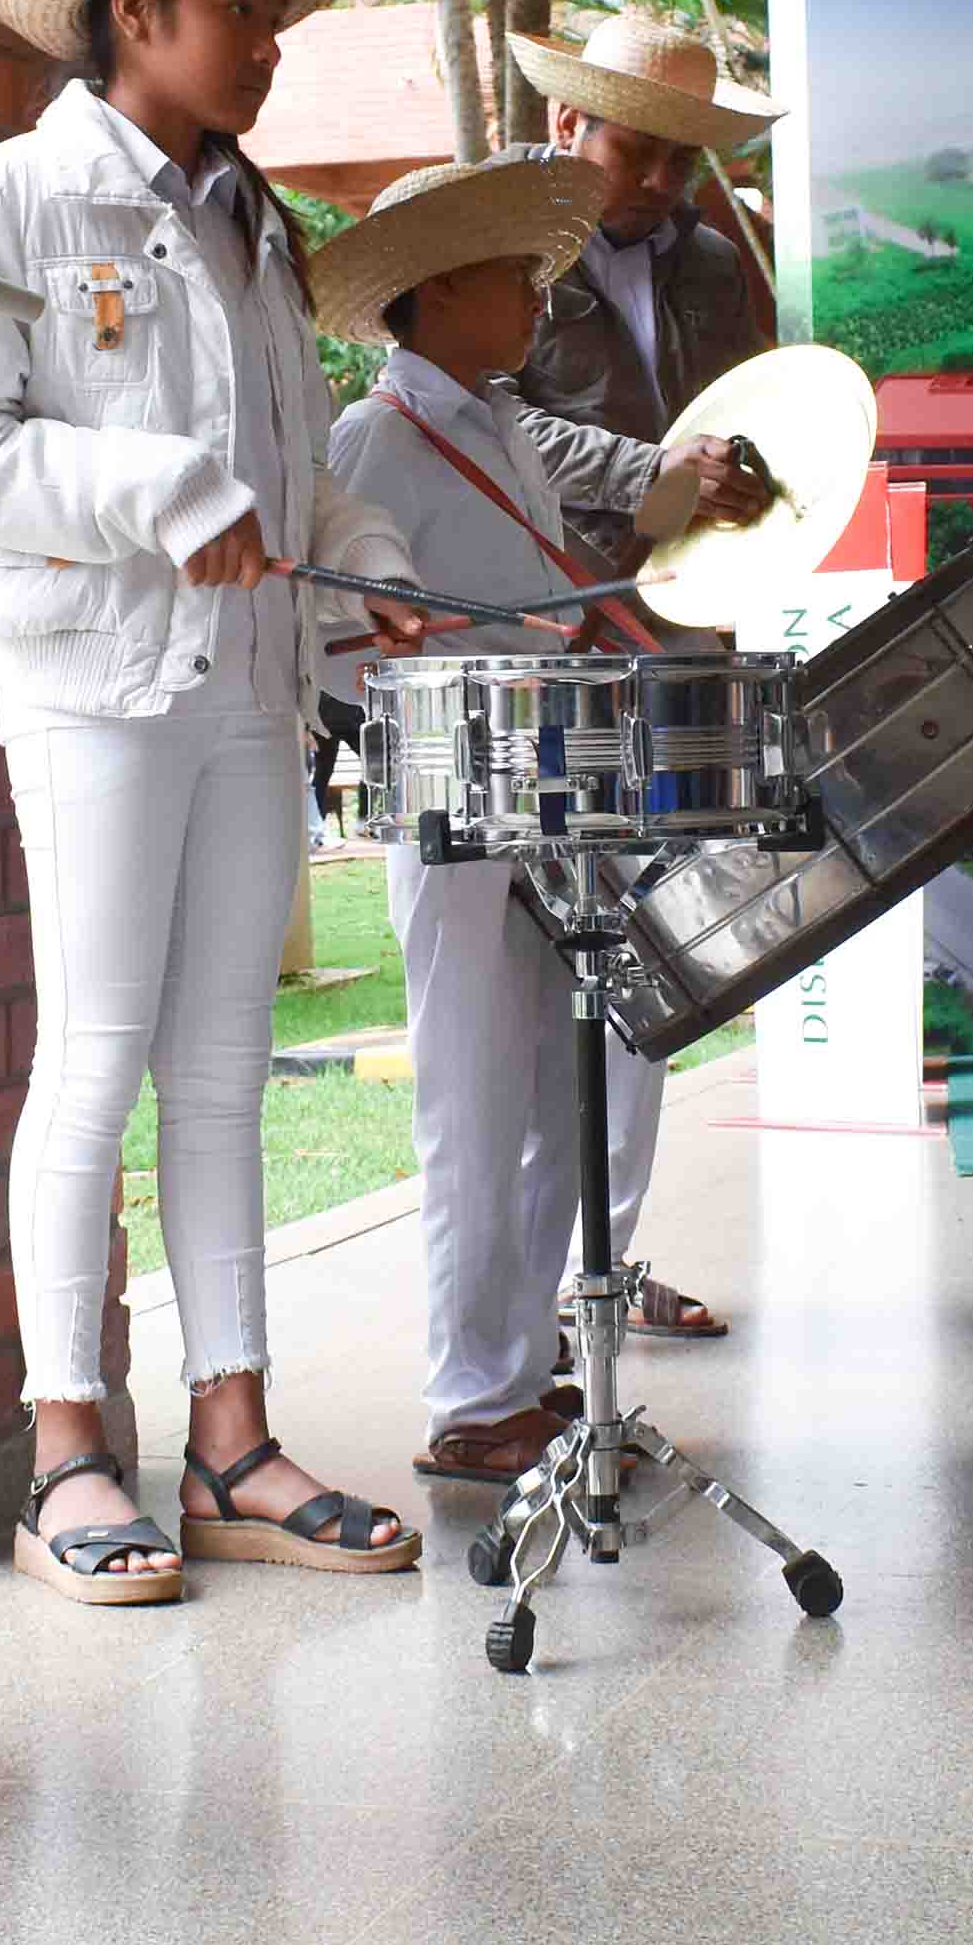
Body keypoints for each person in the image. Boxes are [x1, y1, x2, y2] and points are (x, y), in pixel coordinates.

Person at [0, 0, 439, 1605]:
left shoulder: (255, 222)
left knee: (220, 1077)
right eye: (237, 13)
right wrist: (155, 487)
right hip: (95, 687)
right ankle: (65, 1445)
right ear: (133, 13)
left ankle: (229, 1437)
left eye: (273, 18)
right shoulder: (10, 198)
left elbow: (292, 468)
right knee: (96, 1055)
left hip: (249, 687)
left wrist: (368, 557)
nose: (266, 46)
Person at [310, 159, 775, 1484]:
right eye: (511, 275)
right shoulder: (373, 440)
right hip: (459, 787)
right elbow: (347, 642)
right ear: (438, 287)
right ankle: (470, 1396)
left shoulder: (500, 421)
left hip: (545, 780)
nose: (535, 294)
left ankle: (524, 1366)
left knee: (549, 1086)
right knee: (468, 1093)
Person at [504, 11, 785, 573]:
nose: (660, 181)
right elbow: (468, 425)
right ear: (566, 124)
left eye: (681, 161)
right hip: (537, 588)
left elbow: (746, 405)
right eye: (634, 153)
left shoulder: (713, 262)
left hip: (695, 578)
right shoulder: (491, 245)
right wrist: (651, 473)